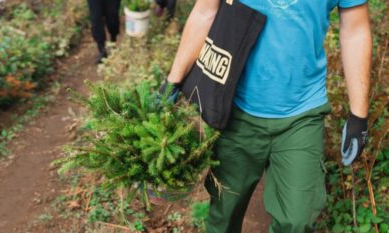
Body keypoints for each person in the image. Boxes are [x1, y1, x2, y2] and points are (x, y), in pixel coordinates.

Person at [159, 0, 371, 232]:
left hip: (302, 113)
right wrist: (173, 81)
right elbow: (204, 12)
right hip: (236, 109)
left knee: (296, 222)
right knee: (224, 215)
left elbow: (355, 29)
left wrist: (358, 115)